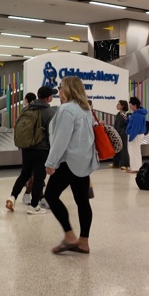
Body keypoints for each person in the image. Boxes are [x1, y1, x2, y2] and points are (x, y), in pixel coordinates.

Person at [44, 76, 99, 255]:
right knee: (82, 200)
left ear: (68, 89)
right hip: (83, 161)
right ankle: (83, 242)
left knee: (50, 195)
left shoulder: (67, 109)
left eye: (61, 88)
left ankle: (69, 235)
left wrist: (51, 162)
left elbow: (61, 139)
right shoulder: (85, 109)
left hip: (68, 161)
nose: (59, 91)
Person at [6, 87, 56, 214]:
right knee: (39, 177)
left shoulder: (27, 109)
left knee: (25, 174)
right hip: (42, 149)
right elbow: (51, 134)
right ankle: (34, 206)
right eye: (52, 95)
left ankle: (12, 197)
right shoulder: (50, 112)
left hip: (27, 147)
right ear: (48, 98)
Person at [125, 96, 148, 173]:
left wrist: (131, 137)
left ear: (135, 105)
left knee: (134, 151)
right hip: (136, 134)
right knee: (134, 151)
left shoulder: (137, 115)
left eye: (131, 106)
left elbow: (136, 127)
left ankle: (135, 168)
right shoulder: (137, 114)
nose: (130, 107)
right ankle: (135, 166)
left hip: (135, 135)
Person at [112, 99, 130, 170]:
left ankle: (124, 164)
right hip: (117, 132)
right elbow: (116, 124)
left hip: (123, 133)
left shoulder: (127, 115)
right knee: (117, 147)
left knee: (123, 148)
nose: (117, 105)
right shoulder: (118, 115)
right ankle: (116, 163)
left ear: (123, 106)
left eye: (119, 104)